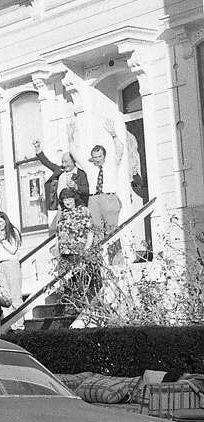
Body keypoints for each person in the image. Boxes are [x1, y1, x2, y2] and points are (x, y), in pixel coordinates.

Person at [72, 122, 126, 261]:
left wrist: (114, 135)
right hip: (94, 200)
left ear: (104, 156)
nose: (97, 160)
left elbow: (120, 149)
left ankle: (116, 264)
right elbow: (74, 154)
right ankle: (99, 264)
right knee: (96, 232)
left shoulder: (112, 164)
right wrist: (71, 136)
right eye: (94, 157)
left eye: (99, 157)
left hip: (109, 198)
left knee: (112, 230)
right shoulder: (90, 168)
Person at [50, 187, 96, 311]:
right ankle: (69, 307)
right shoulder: (62, 214)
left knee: (80, 280)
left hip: (78, 251)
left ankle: (82, 306)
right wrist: (56, 248)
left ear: (74, 198)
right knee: (67, 282)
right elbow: (58, 234)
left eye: (69, 198)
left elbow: (90, 231)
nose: (67, 201)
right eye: (64, 199)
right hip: (65, 252)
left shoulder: (84, 211)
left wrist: (87, 248)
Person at [34, 139, 89, 213]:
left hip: (77, 208)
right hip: (61, 208)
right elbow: (46, 162)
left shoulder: (80, 173)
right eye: (62, 162)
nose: (64, 165)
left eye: (66, 162)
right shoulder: (59, 170)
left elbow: (86, 190)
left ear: (73, 161)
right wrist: (38, 148)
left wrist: (76, 187)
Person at [0, 211, 22, 312]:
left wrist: (3, 240)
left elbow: (13, 250)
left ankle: (19, 324)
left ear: (6, 221)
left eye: (1, 222)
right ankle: (11, 324)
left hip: (11, 264)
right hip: (0, 266)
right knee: (5, 296)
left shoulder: (13, 231)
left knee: (15, 294)